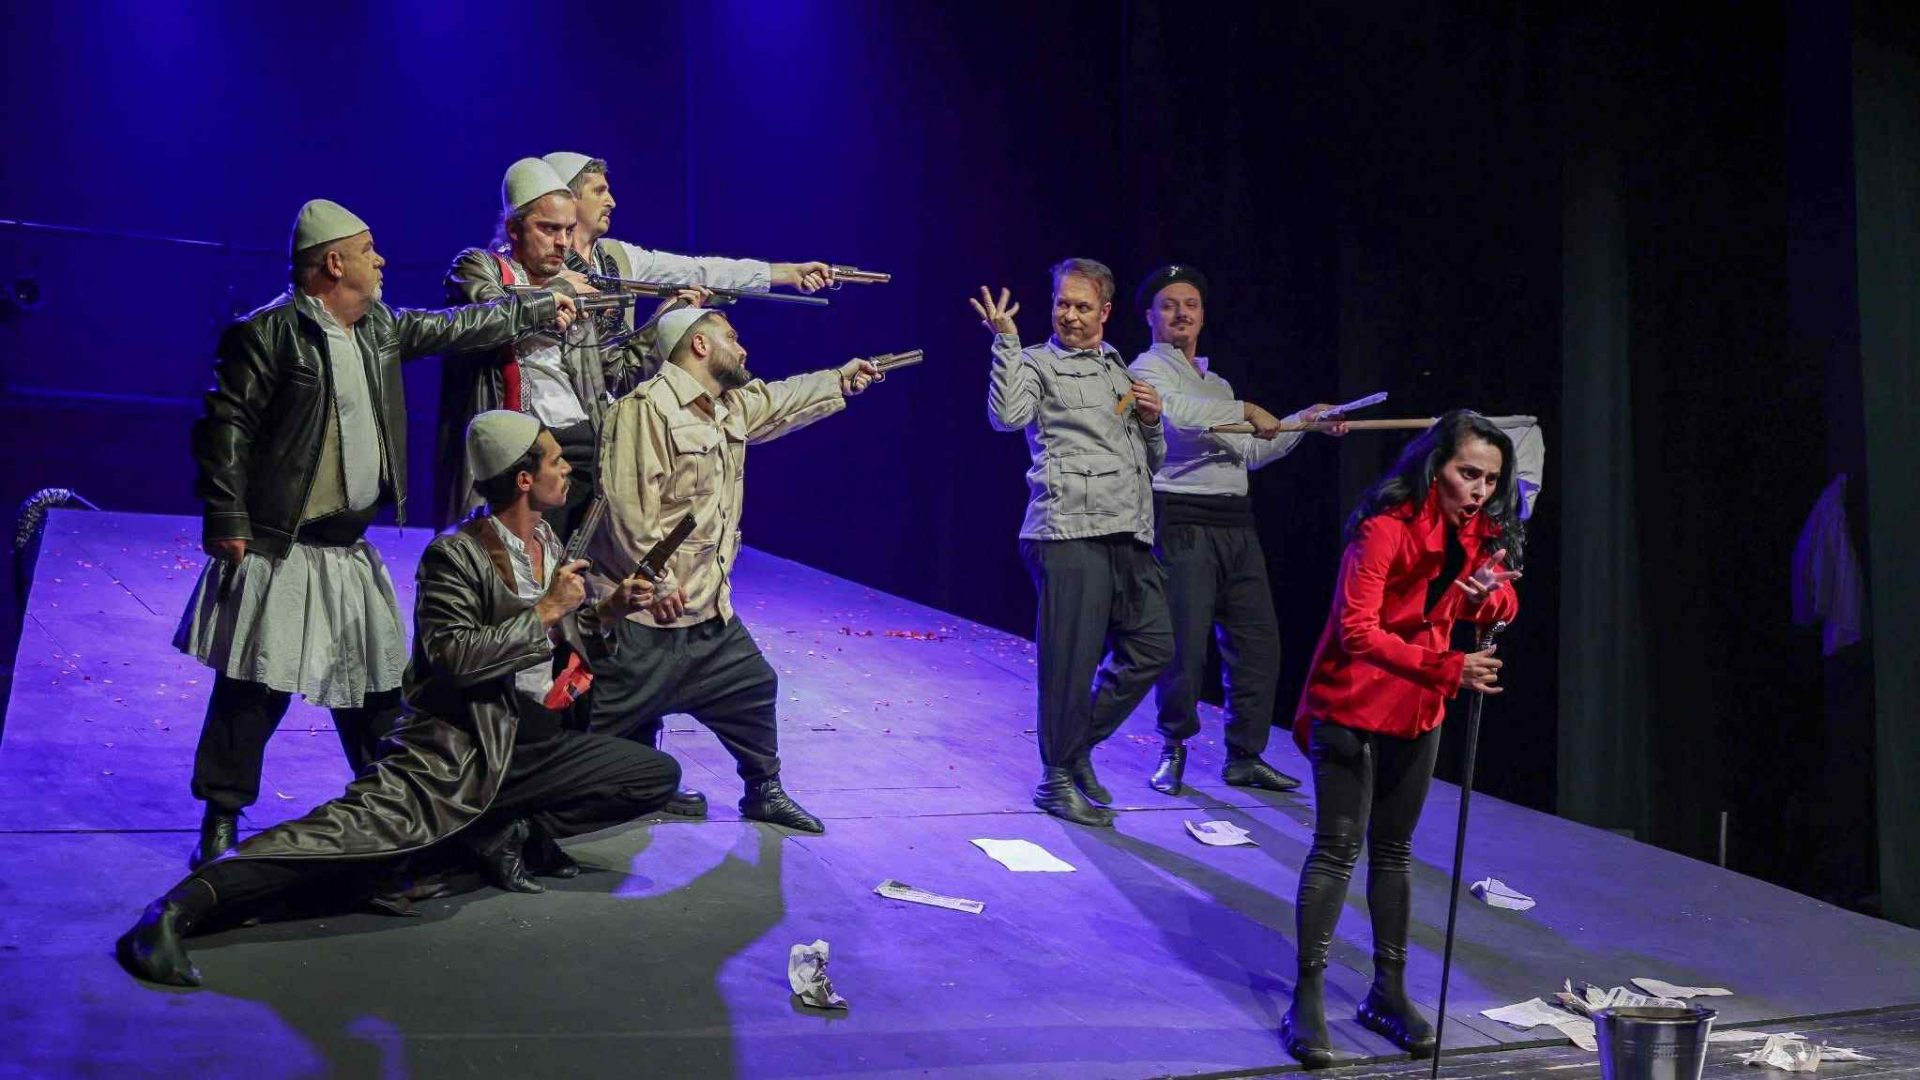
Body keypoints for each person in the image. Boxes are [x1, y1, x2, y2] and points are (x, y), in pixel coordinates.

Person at [118, 411, 681, 988]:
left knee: (652, 776)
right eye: (556, 461)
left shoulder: (546, 541)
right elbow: (453, 657)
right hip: (458, 750)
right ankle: (174, 912)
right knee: (338, 841)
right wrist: (545, 610)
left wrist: (608, 611)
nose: (567, 470)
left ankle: (496, 830)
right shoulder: (456, 555)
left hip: (532, 742)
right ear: (523, 479)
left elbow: (560, 640)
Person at [175, 198, 575, 868]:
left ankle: (399, 818)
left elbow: (453, 326)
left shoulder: (378, 328)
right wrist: (227, 516)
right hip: (283, 545)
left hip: (348, 550)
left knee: (375, 694)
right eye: (368, 251)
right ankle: (220, 819)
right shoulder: (268, 334)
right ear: (334, 264)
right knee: (253, 689)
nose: (381, 260)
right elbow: (226, 429)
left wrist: (535, 307)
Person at [1278, 410, 1523, 1067]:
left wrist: (1487, 598)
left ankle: (1386, 990)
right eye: (1468, 473)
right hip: (1352, 702)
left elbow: (1498, 605)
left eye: (1490, 479)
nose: (1480, 490)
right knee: (1337, 848)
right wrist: (1449, 667)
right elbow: (1357, 631)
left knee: (1394, 851)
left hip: (1417, 709)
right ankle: (1307, 996)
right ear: (1434, 466)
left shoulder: (1480, 533)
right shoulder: (1384, 529)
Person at [585, 307, 886, 834]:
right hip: (645, 613)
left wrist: (840, 379)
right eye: (731, 336)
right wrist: (658, 580)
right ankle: (567, 797)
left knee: (751, 686)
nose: (742, 347)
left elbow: (782, 399)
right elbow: (628, 507)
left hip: (705, 605)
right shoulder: (644, 409)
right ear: (699, 345)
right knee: (603, 721)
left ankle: (763, 789)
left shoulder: (728, 407)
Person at [1126, 263, 1347, 795]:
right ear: (1150, 316)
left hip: (1236, 523)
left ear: (1203, 315)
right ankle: (1173, 746)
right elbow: (1176, 414)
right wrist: (1246, 408)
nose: (1182, 313)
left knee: (1257, 642)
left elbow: (1250, 450)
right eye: (1169, 305)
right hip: (1183, 518)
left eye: (1191, 305)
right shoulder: (1145, 368)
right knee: (1185, 645)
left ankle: (1245, 754)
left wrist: (1303, 421)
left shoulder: (1216, 382)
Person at [975, 259, 1175, 828]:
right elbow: (1006, 416)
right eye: (1062, 303)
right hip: (1067, 529)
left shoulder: (1118, 369)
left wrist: (1153, 422)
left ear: (1105, 312)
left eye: (1082, 306)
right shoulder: (1038, 363)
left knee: (1155, 645)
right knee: (1070, 664)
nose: (1069, 315)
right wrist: (1006, 344)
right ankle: (1056, 779)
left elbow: (1150, 461)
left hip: (1128, 529)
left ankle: (1075, 747)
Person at [542, 150, 834, 384]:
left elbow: (698, 270)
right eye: (599, 191)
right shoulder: (541, 263)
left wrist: (785, 273)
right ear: (568, 198)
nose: (612, 202)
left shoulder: (619, 255)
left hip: (619, 393)